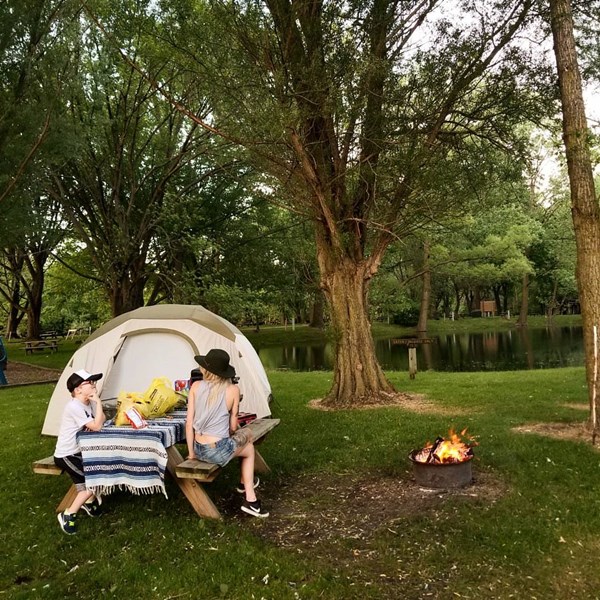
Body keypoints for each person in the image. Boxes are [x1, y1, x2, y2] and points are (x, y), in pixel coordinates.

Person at [186, 348, 269, 518]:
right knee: (249, 447)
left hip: (199, 448)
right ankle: (250, 499)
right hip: (217, 449)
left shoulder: (195, 386)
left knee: (245, 442)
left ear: (205, 369)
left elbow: (189, 424)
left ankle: (244, 483)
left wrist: (191, 454)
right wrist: (239, 433)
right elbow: (232, 427)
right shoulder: (233, 390)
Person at [54, 369, 106, 534]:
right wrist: (98, 403)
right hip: (67, 454)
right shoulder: (74, 406)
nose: (93, 385)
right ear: (77, 390)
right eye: (88, 383)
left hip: (80, 452)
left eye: (93, 382)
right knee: (93, 481)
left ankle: (88, 502)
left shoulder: (88, 402)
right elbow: (97, 426)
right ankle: (68, 514)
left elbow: (101, 419)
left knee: (89, 479)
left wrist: (96, 404)